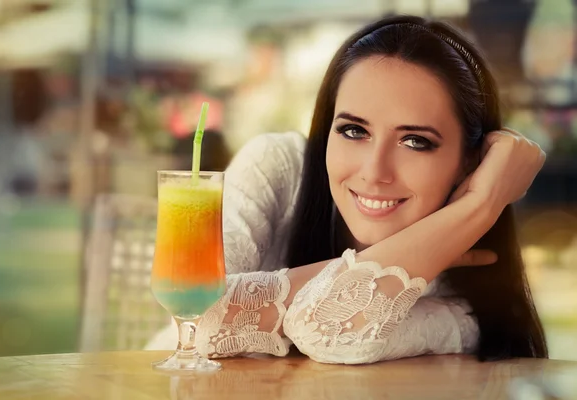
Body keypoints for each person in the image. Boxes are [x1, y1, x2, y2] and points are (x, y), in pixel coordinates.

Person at [146, 15, 548, 363]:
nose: (374, 172)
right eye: (353, 131)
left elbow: (321, 330)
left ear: (469, 162)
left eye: (415, 141)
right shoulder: (279, 166)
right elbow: (201, 317)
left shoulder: (465, 305)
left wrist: (480, 205)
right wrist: (433, 239)